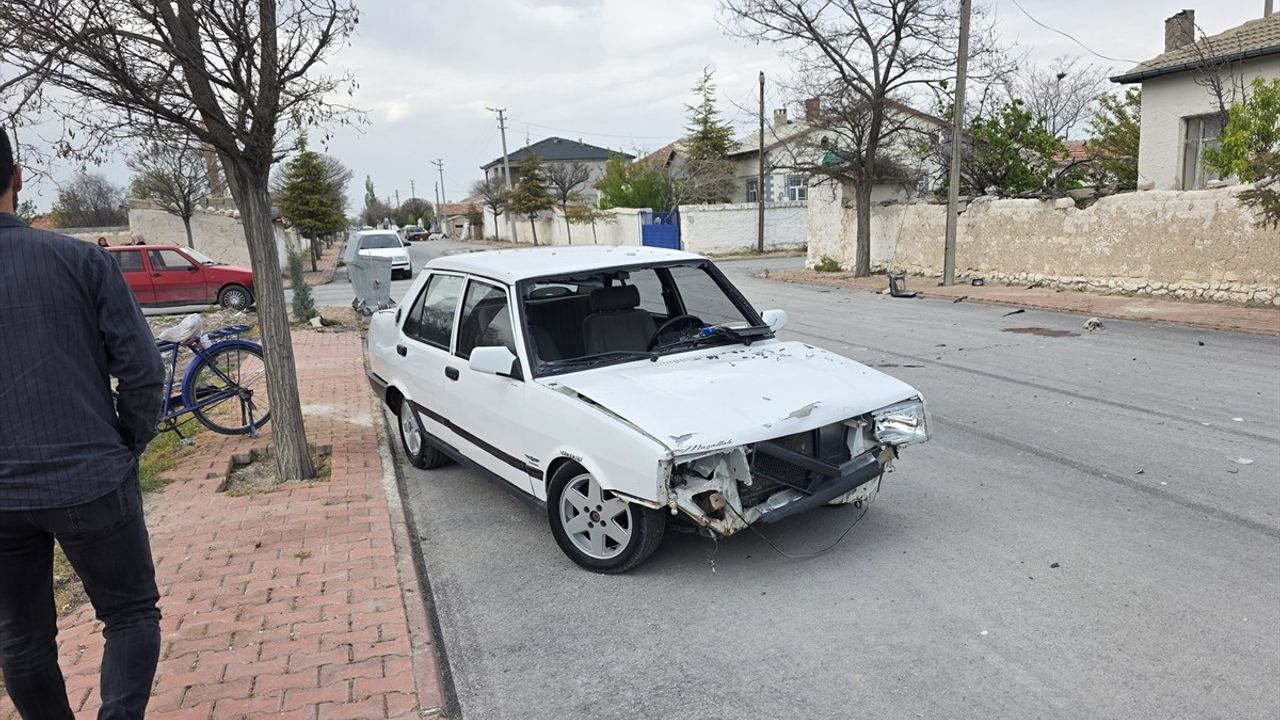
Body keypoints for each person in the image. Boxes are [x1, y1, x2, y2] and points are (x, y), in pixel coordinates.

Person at [0, 127, 164, 718]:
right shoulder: (78, 259)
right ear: (17, 177)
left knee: (20, 637)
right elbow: (143, 371)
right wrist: (126, 442)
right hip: (90, 477)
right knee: (129, 614)